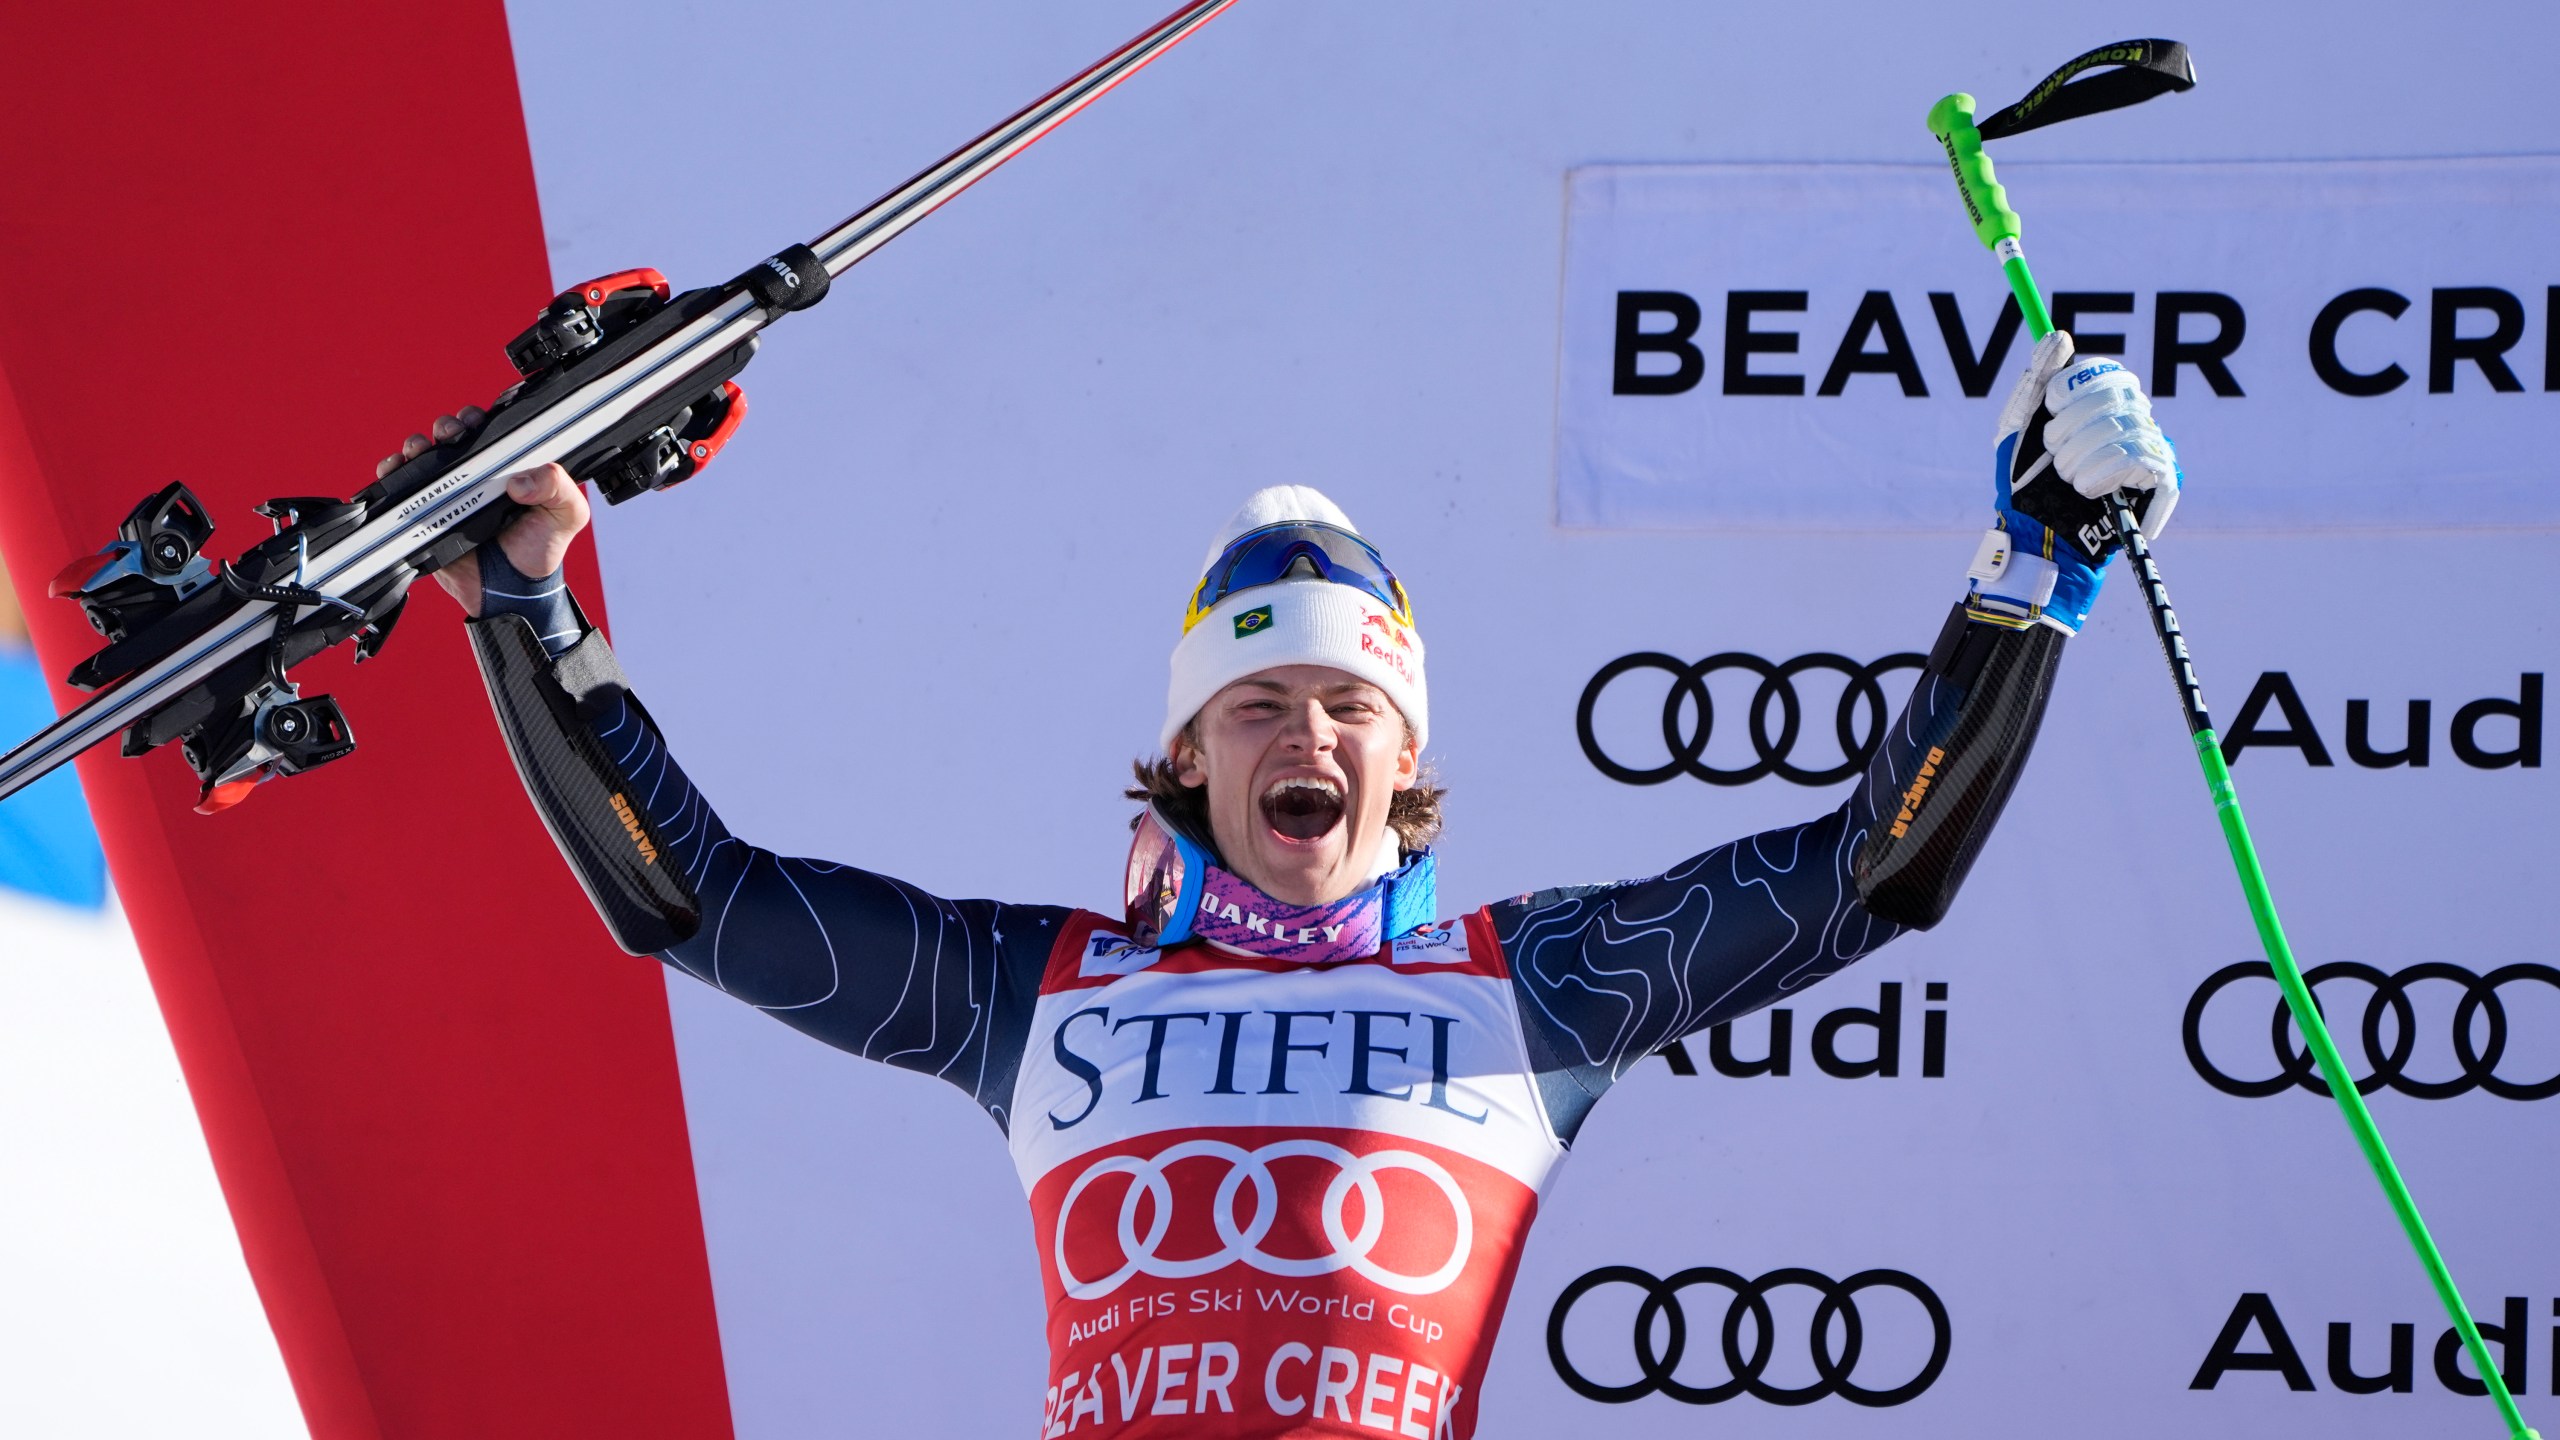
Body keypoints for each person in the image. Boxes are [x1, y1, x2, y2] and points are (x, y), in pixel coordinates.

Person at [404, 327, 2176, 1438]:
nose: (1304, 734)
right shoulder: (1036, 992)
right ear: (1187, 754)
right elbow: (693, 902)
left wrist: (2032, 571)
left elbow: (1876, 871)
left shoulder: (1535, 986)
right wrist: (528, 610)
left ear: (1405, 758)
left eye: (1349, 706)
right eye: (1256, 706)